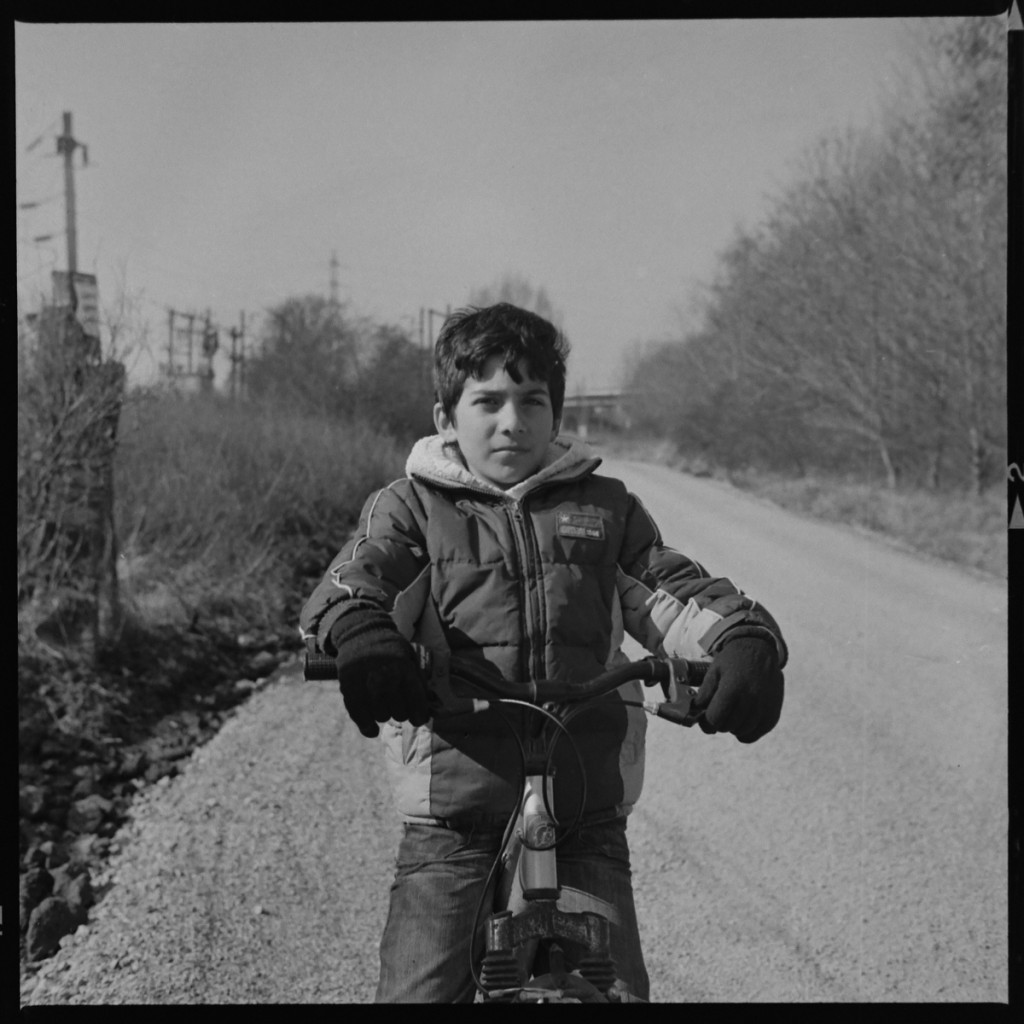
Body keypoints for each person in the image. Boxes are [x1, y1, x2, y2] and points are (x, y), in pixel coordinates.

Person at [299, 302, 787, 1003]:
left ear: (556, 416)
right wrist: (363, 637)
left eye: (532, 401)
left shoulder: (607, 509)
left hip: (583, 801)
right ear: (446, 416)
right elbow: (357, 581)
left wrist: (744, 641)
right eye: (487, 401)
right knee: (416, 992)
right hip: (456, 813)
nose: (511, 421)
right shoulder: (410, 508)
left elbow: (675, 592)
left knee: (617, 992)